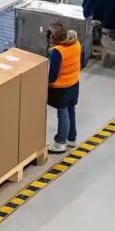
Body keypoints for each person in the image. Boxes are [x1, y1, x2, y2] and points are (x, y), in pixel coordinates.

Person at [46, 21, 81, 154]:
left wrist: (45, 84)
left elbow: (53, 75)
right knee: (71, 110)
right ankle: (72, 138)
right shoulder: (75, 43)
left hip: (61, 87)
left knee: (63, 113)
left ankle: (60, 142)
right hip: (74, 83)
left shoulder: (58, 51)